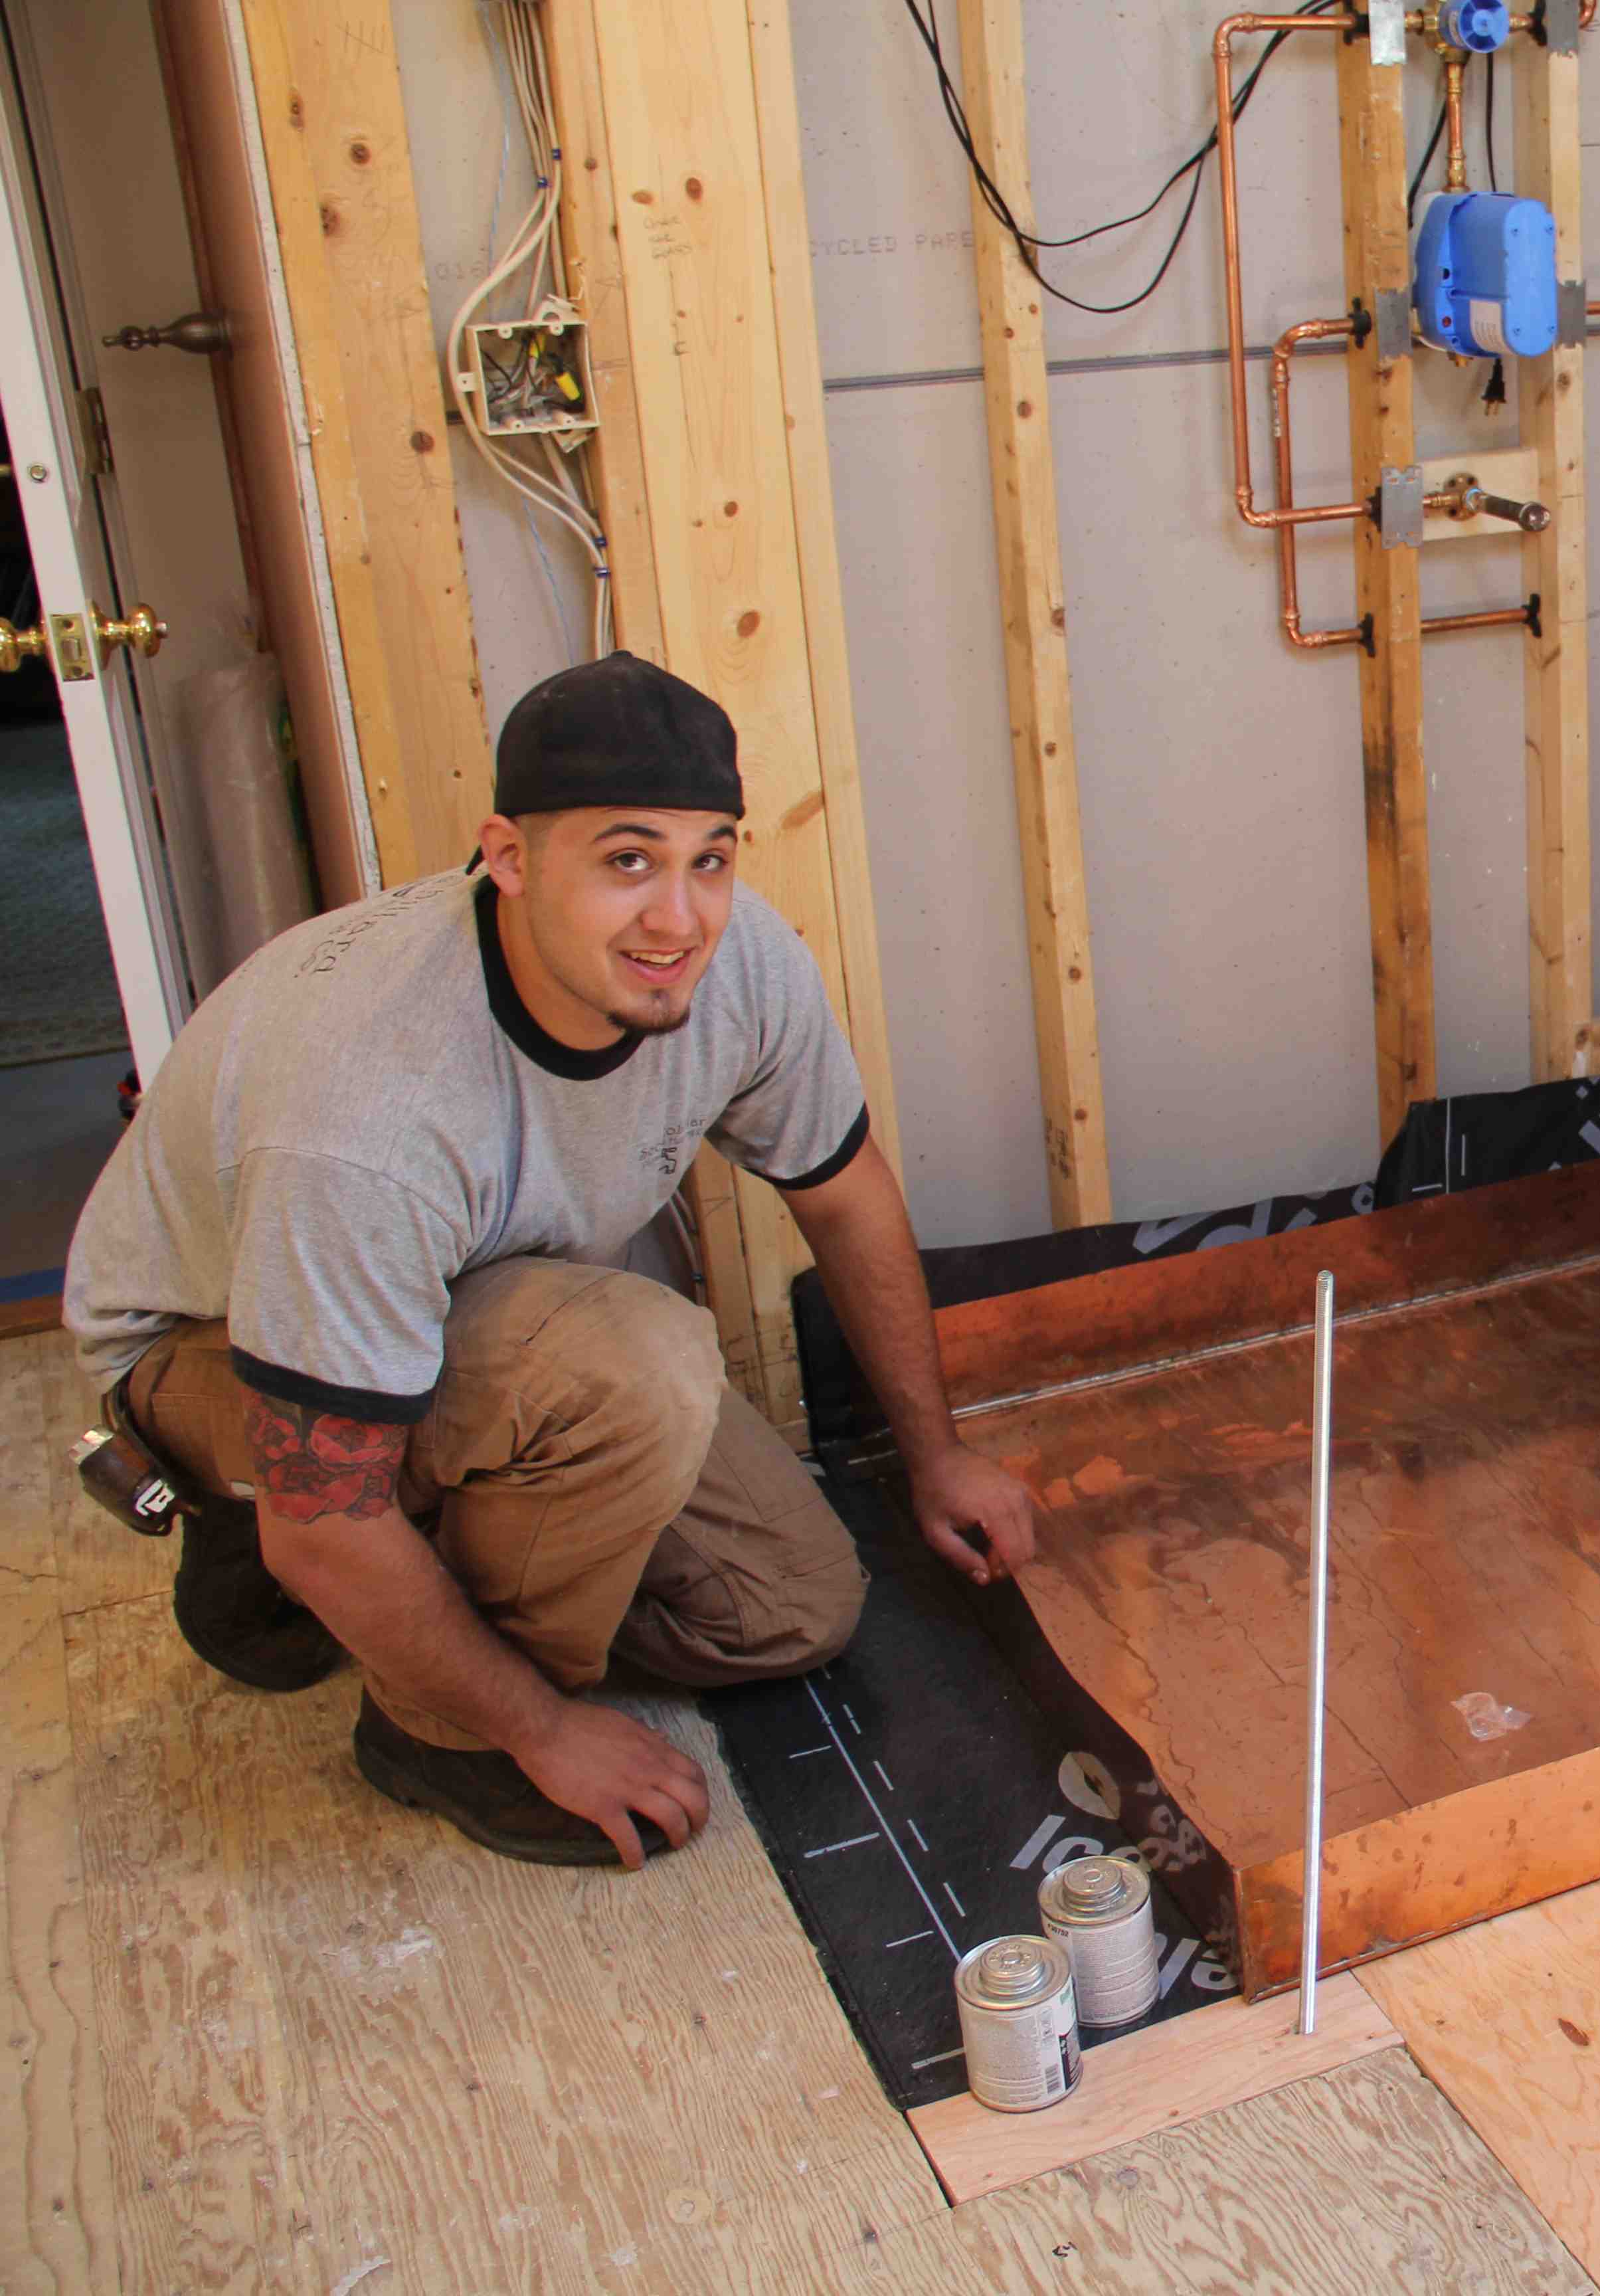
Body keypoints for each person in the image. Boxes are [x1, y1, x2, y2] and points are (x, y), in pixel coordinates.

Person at [63, 652, 1038, 1868]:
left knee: (792, 1608)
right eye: (626, 861)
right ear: (511, 860)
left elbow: (845, 1200)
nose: (678, 918)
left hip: (481, 1312)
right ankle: (427, 1726)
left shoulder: (741, 967)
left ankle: (396, 1587)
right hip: (214, 1348)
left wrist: (936, 1457)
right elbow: (330, 1523)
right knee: (633, 1367)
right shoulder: (369, 1111)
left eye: (710, 859)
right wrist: (538, 1727)